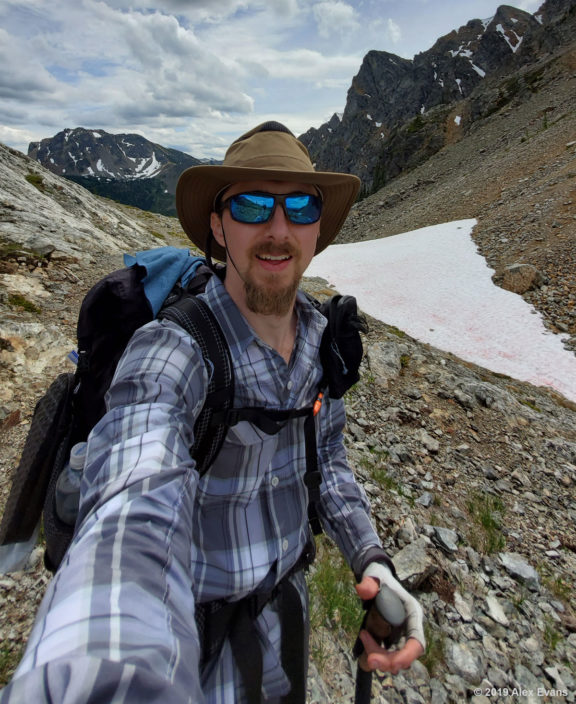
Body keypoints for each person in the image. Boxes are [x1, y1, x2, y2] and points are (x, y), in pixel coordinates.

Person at [0, 121, 424, 704]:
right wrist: (107, 667)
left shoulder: (322, 340)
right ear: (219, 226)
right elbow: (134, 490)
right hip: (191, 648)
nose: (278, 229)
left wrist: (372, 560)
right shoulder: (173, 348)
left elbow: (326, 461)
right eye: (250, 205)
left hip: (284, 628)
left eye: (299, 205)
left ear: (318, 228)